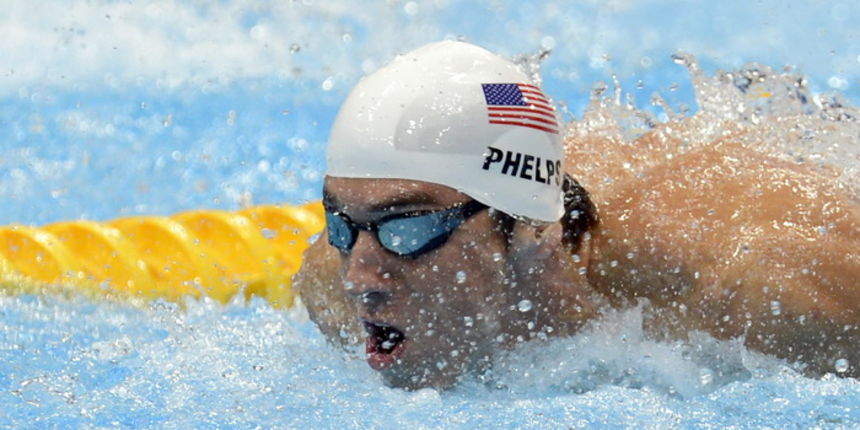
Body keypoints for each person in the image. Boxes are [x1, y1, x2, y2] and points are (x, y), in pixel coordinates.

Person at [293, 40, 860, 390]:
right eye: (341, 222)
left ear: (529, 228)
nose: (360, 277)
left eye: (408, 227)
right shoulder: (332, 284)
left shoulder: (764, 290)